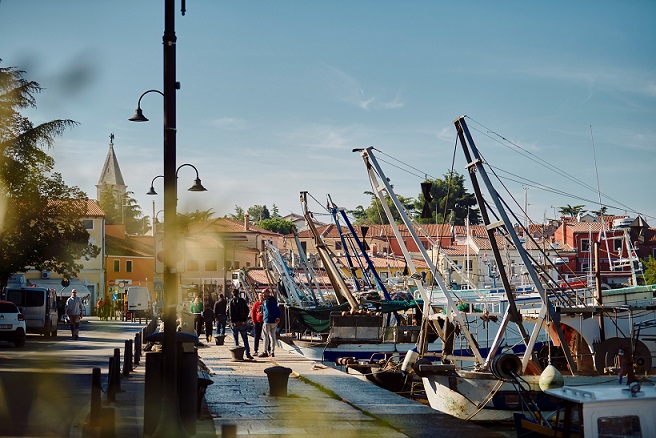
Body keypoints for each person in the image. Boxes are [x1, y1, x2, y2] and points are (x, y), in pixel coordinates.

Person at [227, 289, 253, 359]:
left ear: (233, 293)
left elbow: (228, 312)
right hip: (242, 322)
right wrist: (244, 319)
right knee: (245, 339)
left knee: (236, 339)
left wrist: (232, 321)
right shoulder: (243, 301)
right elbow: (247, 310)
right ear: (239, 293)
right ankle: (248, 353)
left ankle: (237, 355)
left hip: (234, 323)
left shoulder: (231, 301)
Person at [261, 289, 281, 358]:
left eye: (263, 293)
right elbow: (277, 309)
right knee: (273, 336)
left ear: (267, 293)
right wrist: (277, 317)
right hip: (275, 321)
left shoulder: (266, 301)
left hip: (267, 321)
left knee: (265, 336)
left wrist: (267, 317)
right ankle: (272, 351)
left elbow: (267, 311)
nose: (262, 294)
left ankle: (265, 351)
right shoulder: (274, 300)